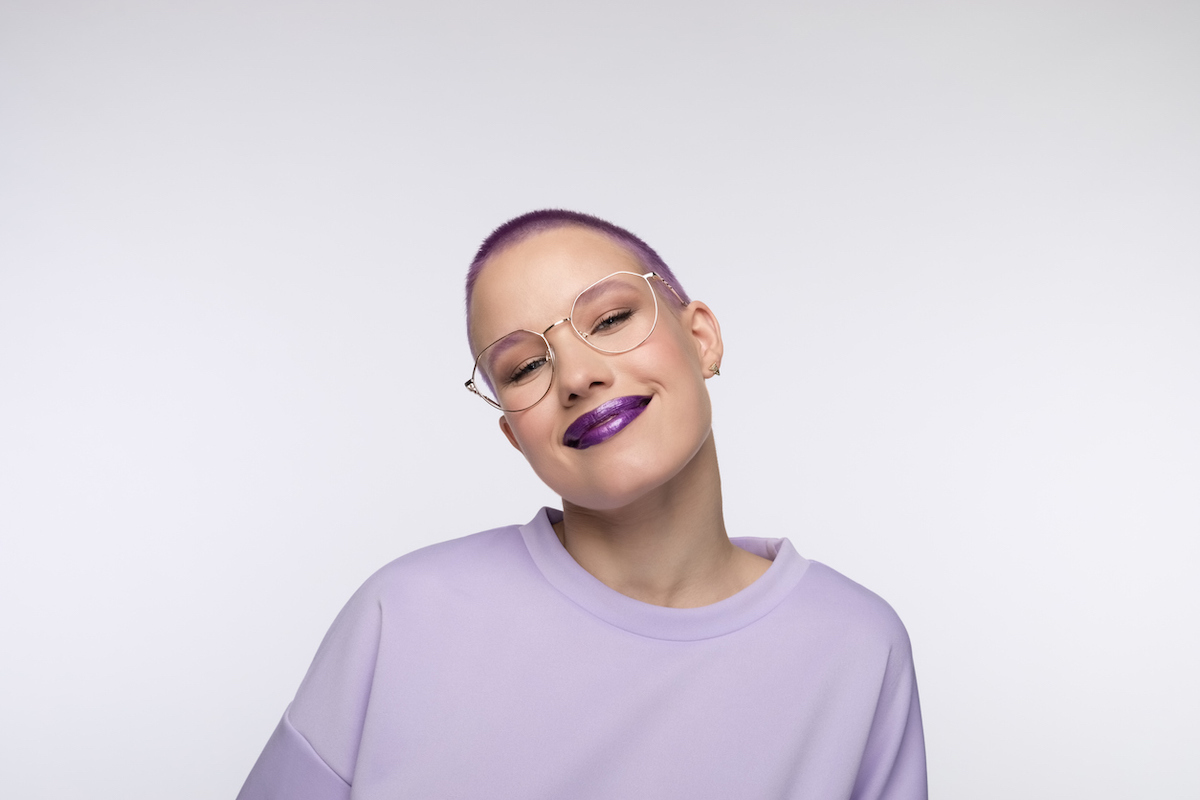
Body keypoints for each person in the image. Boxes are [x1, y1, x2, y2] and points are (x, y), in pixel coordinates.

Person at [237, 210, 927, 799]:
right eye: (524, 367)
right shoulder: (403, 615)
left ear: (701, 338)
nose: (577, 375)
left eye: (613, 318)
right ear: (515, 435)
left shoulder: (856, 646)